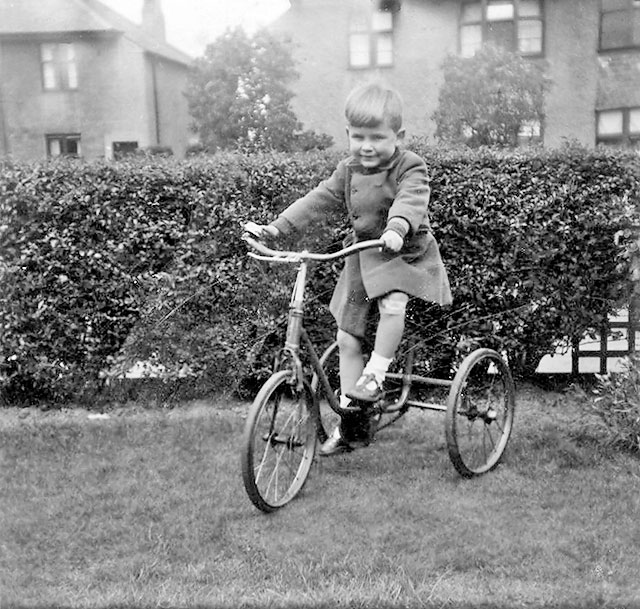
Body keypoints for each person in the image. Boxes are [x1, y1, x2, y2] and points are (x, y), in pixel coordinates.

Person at [247, 82, 452, 455]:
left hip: (402, 252)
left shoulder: (411, 165)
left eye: (377, 137)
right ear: (348, 135)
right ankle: (352, 424)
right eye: (358, 137)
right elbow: (318, 199)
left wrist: (397, 227)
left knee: (393, 305)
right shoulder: (349, 169)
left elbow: (411, 199)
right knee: (346, 336)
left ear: (399, 136)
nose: (367, 146)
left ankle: (375, 377)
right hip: (362, 255)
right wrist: (276, 227)